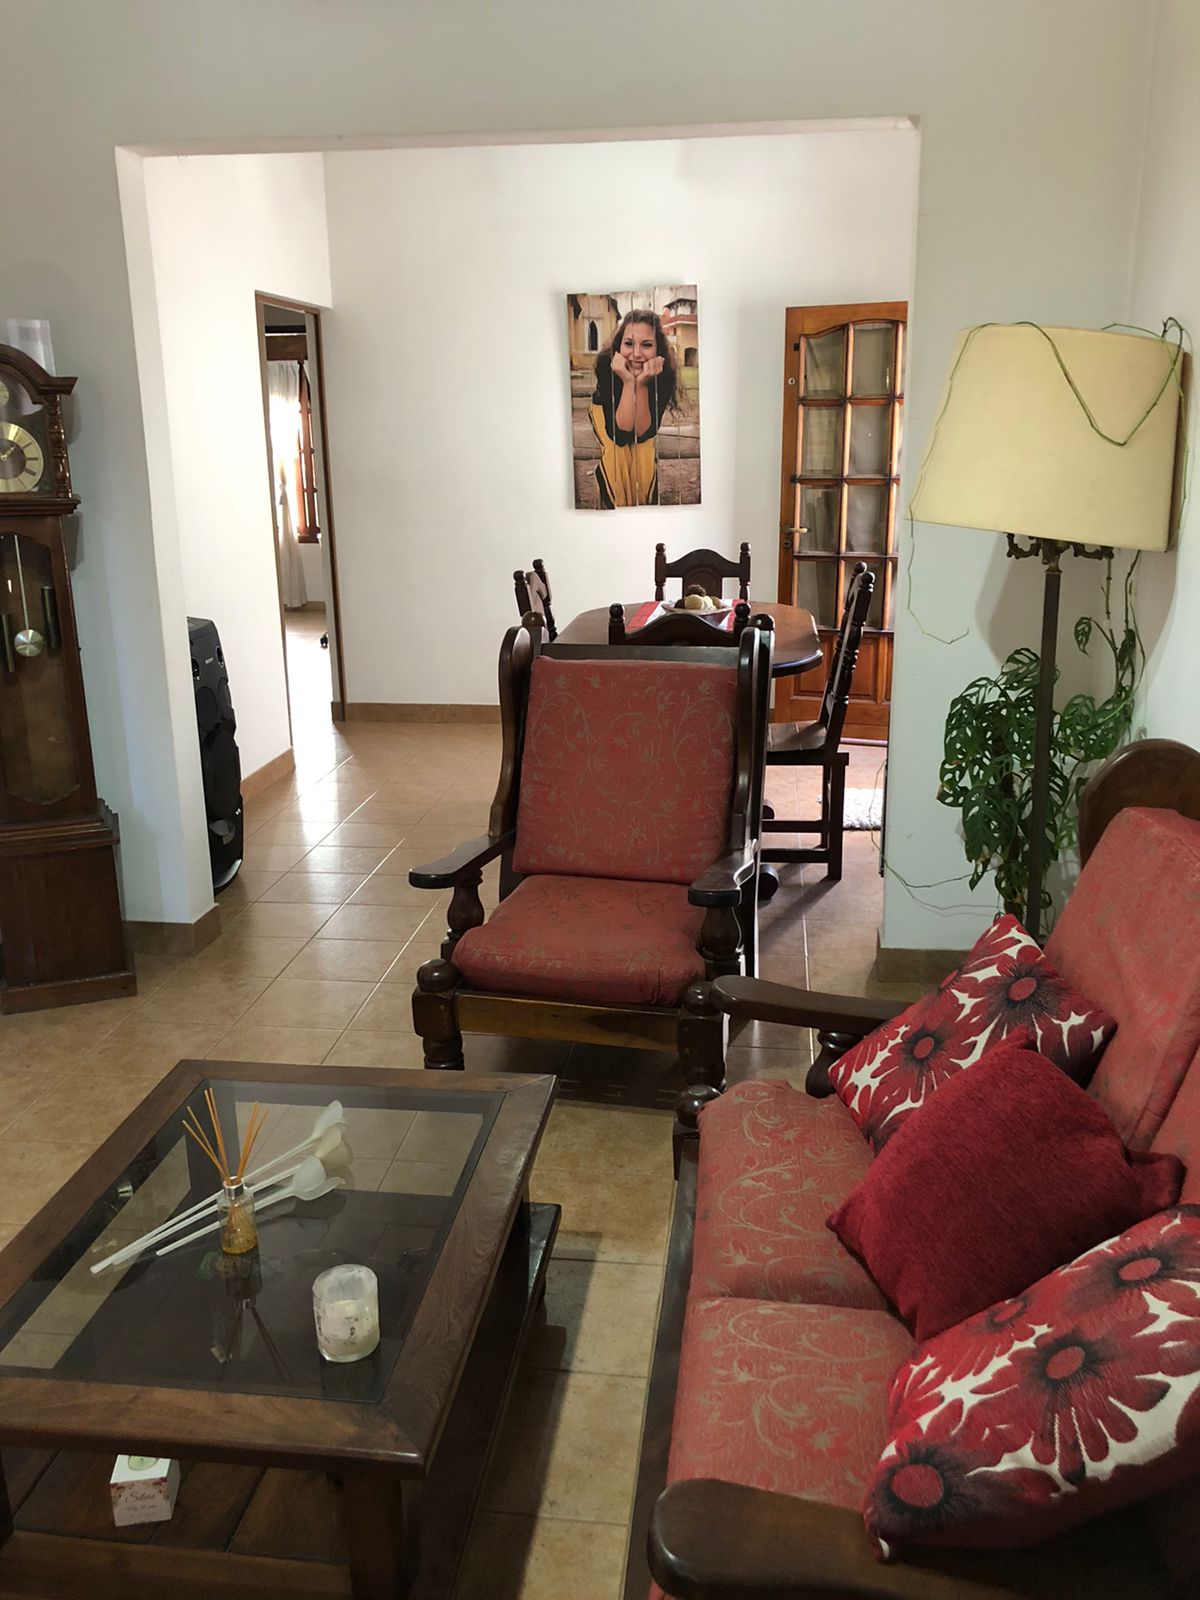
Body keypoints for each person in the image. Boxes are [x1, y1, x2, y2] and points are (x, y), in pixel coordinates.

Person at [589, 309, 679, 508]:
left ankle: (641, 506)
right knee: (617, 452)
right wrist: (629, 382)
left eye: (646, 345)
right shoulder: (606, 365)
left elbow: (643, 434)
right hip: (605, 415)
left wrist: (642, 384)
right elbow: (619, 436)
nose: (636, 354)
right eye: (629, 344)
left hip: (640, 425)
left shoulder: (664, 375)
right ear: (619, 345)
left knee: (643, 450)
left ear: (658, 349)